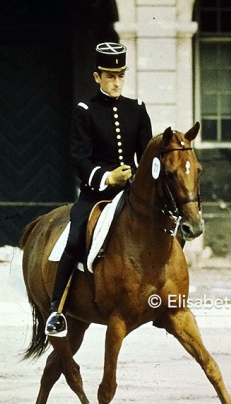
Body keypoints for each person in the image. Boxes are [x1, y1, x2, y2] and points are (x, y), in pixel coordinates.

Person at [45, 42, 153, 337]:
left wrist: (139, 180)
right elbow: (79, 159)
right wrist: (107, 178)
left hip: (130, 194)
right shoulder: (85, 110)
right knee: (76, 236)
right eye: (109, 76)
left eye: (120, 75)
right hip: (97, 193)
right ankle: (57, 309)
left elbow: (146, 157)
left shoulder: (137, 109)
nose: (116, 82)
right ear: (97, 77)